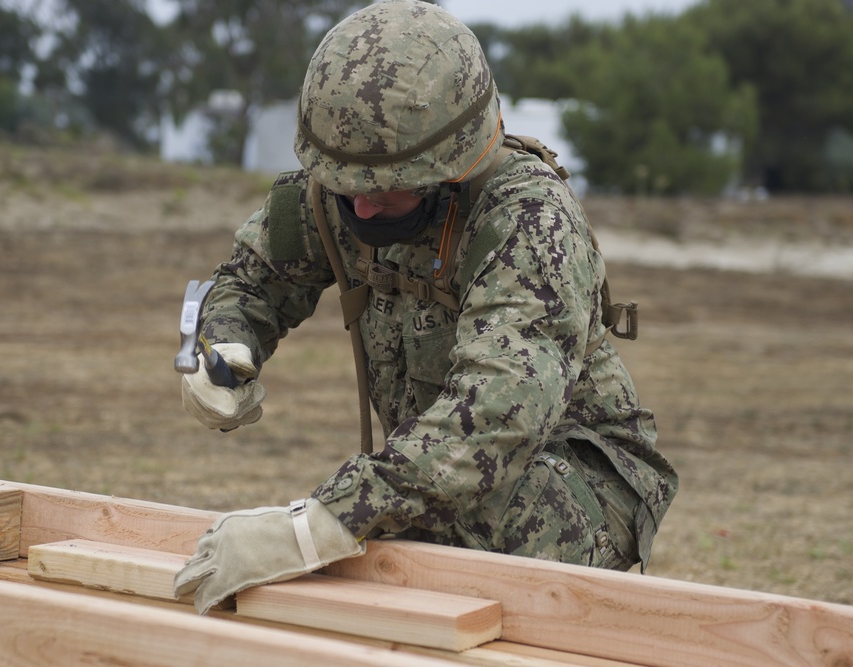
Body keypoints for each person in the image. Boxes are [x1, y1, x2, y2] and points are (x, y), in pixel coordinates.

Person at [173, 0, 678, 615]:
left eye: (384, 187)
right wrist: (224, 349)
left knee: (473, 523)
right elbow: (249, 281)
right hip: (438, 472)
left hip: (573, 477)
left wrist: (321, 522)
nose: (359, 208)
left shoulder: (529, 221)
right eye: (346, 184)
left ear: (452, 164)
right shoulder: (350, 188)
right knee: (410, 536)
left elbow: (496, 419)